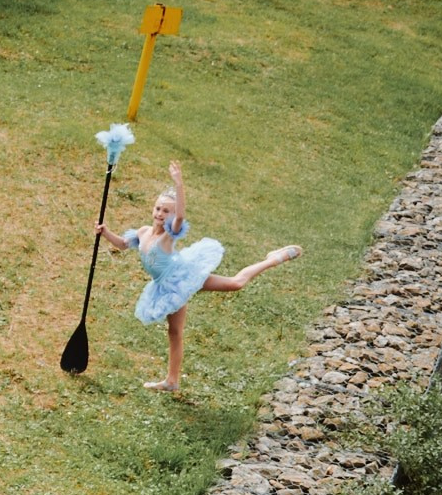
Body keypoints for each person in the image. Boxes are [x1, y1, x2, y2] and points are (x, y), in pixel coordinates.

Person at [95, 161, 301, 391]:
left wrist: (179, 184)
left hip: (181, 278)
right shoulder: (143, 232)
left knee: (236, 283)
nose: (160, 214)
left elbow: (180, 217)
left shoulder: (167, 237)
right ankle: (172, 381)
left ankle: (273, 259)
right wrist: (105, 232)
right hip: (165, 286)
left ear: (173, 215)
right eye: (158, 209)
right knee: (175, 331)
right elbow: (123, 244)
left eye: (166, 211)